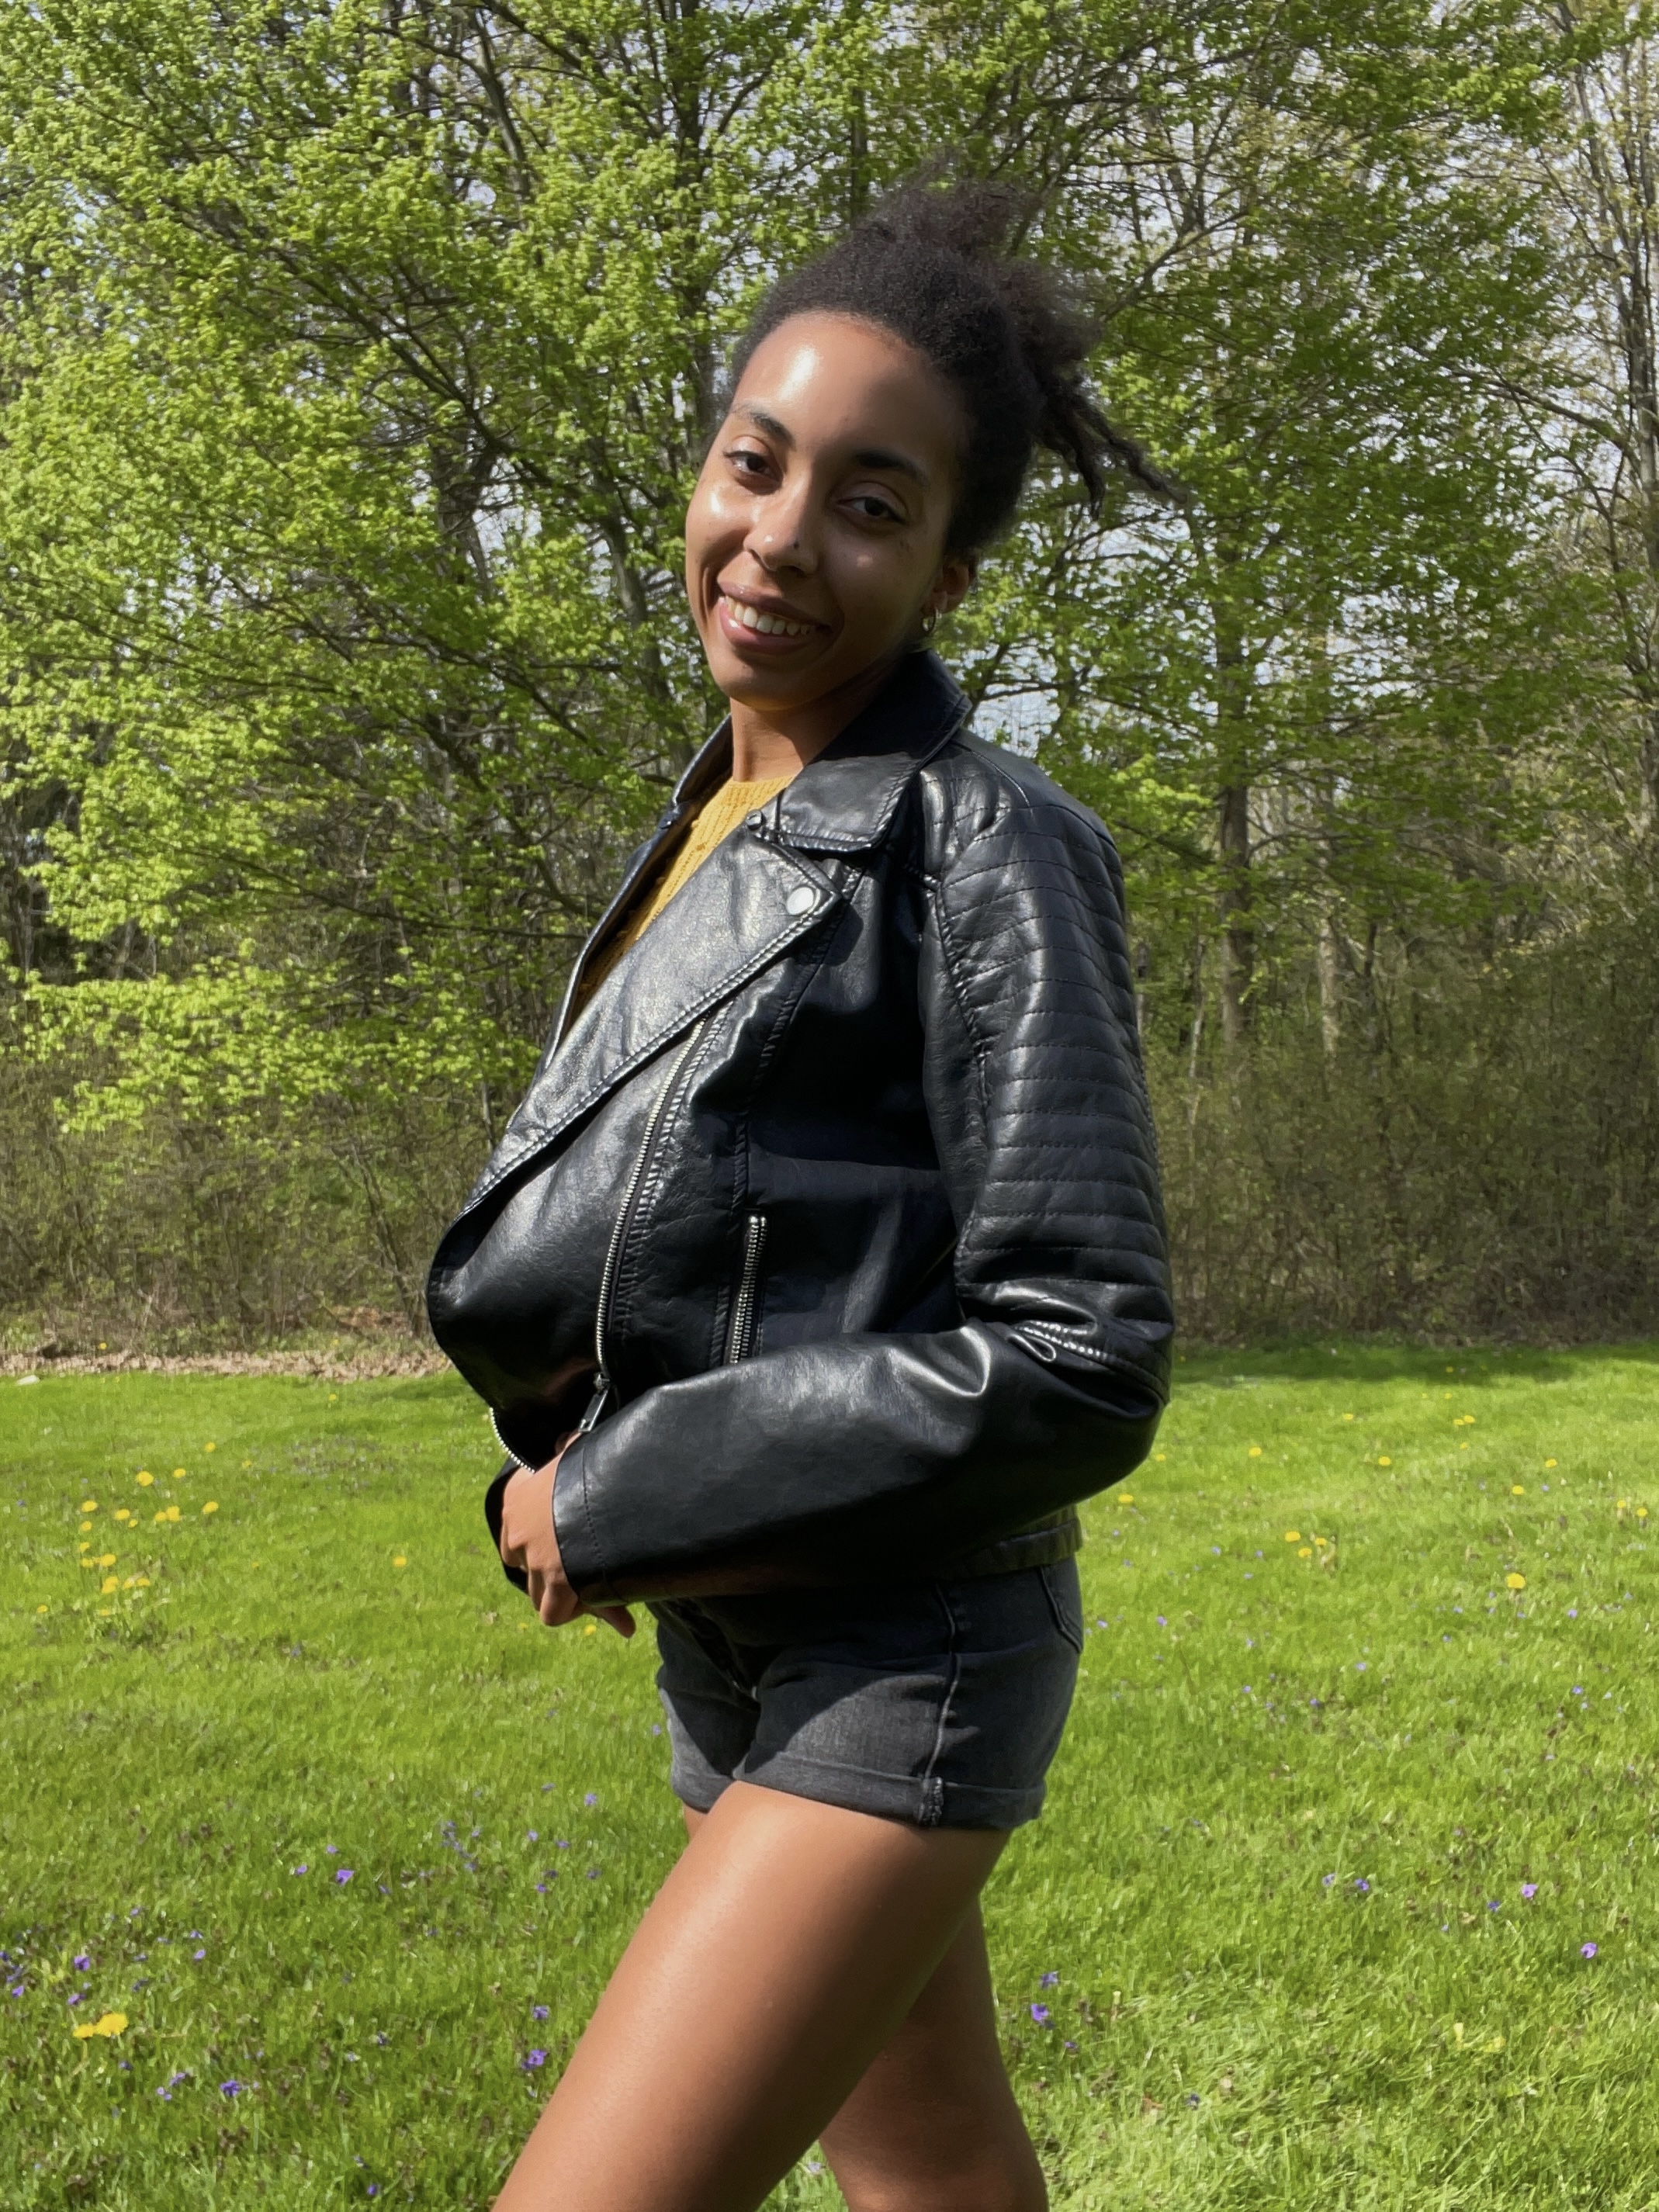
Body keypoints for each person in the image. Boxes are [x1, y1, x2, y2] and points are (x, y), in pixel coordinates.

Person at [426, 181, 1172, 2212]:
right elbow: (697, 1227)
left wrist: (625, 1490)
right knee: (931, 2162)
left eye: (868, 501)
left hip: (905, 1643)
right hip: (737, 1634)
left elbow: (1082, 1347)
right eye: (753, 462)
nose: (776, 534)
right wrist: (566, 1462)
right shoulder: (724, 818)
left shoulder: (990, 843)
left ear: (943, 572)